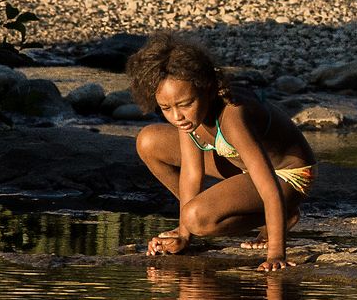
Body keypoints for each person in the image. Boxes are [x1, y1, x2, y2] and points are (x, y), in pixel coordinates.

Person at [127, 32, 316, 271]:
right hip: (241, 165)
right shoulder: (188, 120)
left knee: (197, 217)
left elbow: (267, 184)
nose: (176, 116)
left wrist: (276, 252)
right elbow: (191, 174)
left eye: (185, 104)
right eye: (166, 108)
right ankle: (232, 209)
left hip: (287, 176)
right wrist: (184, 235)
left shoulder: (233, 115)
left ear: (207, 89)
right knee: (148, 140)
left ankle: (282, 214)